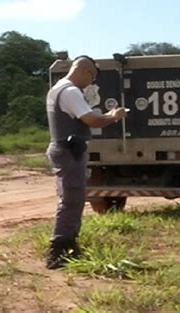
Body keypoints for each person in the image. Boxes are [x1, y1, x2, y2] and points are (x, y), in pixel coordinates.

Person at [45, 55, 127, 269]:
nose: (91, 82)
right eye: (92, 77)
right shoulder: (71, 91)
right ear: (84, 70)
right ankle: (59, 250)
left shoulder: (58, 88)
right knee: (72, 200)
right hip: (69, 150)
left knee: (73, 198)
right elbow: (90, 119)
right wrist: (113, 116)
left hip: (64, 148)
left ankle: (69, 244)